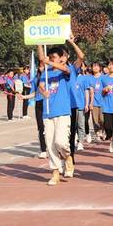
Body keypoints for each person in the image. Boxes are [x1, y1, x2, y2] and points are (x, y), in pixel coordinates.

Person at [38, 44, 74, 186]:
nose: (51, 60)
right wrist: (43, 91)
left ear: (61, 59)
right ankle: (55, 173)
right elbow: (41, 86)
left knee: (60, 142)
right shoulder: (46, 73)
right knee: (50, 144)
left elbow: (66, 69)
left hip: (62, 112)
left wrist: (49, 62)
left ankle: (67, 156)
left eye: (54, 58)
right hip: (48, 112)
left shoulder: (64, 71)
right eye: (50, 57)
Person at [90, 62, 105, 142]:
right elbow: (91, 91)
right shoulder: (91, 78)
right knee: (95, 120)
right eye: (93, 66)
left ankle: (103, 130)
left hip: (103, 102)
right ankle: (97, 134)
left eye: (97, 66)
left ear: (100, 68)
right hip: (95, 102)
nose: (95, 68)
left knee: (102, 119)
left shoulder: (103, 77)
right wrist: (91, 103)